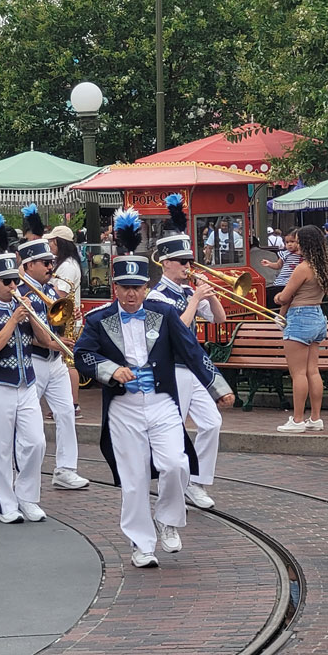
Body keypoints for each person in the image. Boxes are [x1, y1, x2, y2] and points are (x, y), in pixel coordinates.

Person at [74, 208, 233, 568]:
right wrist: (111, 370)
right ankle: (141, 544)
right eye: (125, 288)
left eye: (137, 288)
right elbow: (82, 355)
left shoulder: (164, 314)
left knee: (176, 465)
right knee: (132, 481)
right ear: (114, 288)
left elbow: (191, 350)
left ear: (147, 288)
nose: (131, 295)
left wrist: (216, 386)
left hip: (162, 402)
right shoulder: (97, 320)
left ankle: (167, 518)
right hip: (123, 409)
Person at [0, 214, 51, 523]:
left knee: (36, 441)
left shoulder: (25, 305)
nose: (14, 286)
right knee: (1, 449)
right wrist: (15, 321)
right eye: (8, 282)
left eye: (15, 280)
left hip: (27, 382)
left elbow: (43, 342)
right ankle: (6, 503)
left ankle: (28, 496)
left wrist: (33, 319)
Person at [149, 196, 227, 510]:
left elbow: (219, 319)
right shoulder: (157, 295)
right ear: (166, 262)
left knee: (212, 423)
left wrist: (212, 294)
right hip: (172, 368)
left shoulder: (187, 289)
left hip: (193, 366)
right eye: (182, 262)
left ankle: (196, 482)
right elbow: (173, 330)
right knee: (175, 428)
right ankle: (175, 485)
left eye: (189, 261)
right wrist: (196, 299)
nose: (187, 267)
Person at [17, 237, 89, 490]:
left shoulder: (48, 291)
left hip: (55, 361)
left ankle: (66, 470)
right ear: (29, 265)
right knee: (28, 420)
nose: (51, 266)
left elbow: (55, 321)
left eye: (51, 262)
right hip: (34, 361)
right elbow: (27, 335)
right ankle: (24, 472)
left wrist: (70, 317)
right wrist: (55, 342)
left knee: (67, 412)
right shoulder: (21, 291)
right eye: (46, 263)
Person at [275, 225, 328, 433]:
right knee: (312, 371)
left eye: (298, 242)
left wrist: (277, 297)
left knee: (298, 373)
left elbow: (285, 296)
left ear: (306, 244)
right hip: (317, 315)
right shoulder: (324, 266)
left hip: (299, 317)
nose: (295, 245)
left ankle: (297, 420)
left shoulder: (303, 268)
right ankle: (315, 418)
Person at [45, 224, 84, 415]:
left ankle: (73, 403)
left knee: (68, 362)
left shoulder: (67, 266)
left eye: (52, 241)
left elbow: (60, 293)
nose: (50, 245)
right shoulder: (67, 263)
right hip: (64, 318)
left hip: (66, 320)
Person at [261, 227, 301, 307]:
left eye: (292, 241)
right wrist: (269, 264)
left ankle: (281, 316)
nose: (289, 244)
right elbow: (278, 265)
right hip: (282, 281)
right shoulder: (285, 254)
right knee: (285, 300)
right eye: (287, 242)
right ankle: (280, 316)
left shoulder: (302, 255)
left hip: (294, 282)